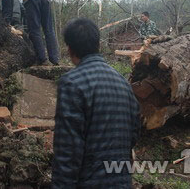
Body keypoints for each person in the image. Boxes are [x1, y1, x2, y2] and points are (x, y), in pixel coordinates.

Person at [52, 18, 140, 188]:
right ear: (97, 44)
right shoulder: (123, 84)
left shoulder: (72, 83)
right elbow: (134, 134)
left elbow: (67, 151)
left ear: (70, 49)